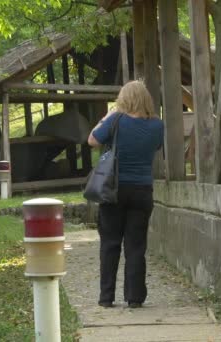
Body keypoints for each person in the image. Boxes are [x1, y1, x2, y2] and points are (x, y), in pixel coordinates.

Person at [87, 80, 164, 309]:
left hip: (114, 190)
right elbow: (156, 147)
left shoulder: (115, 120)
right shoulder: (157, 125)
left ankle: (106, 297)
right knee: (136, 246)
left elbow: (92, 140)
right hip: (142, 191)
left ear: (123, 99)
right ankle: (134, 298)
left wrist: (108, 115)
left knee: (110, 243)